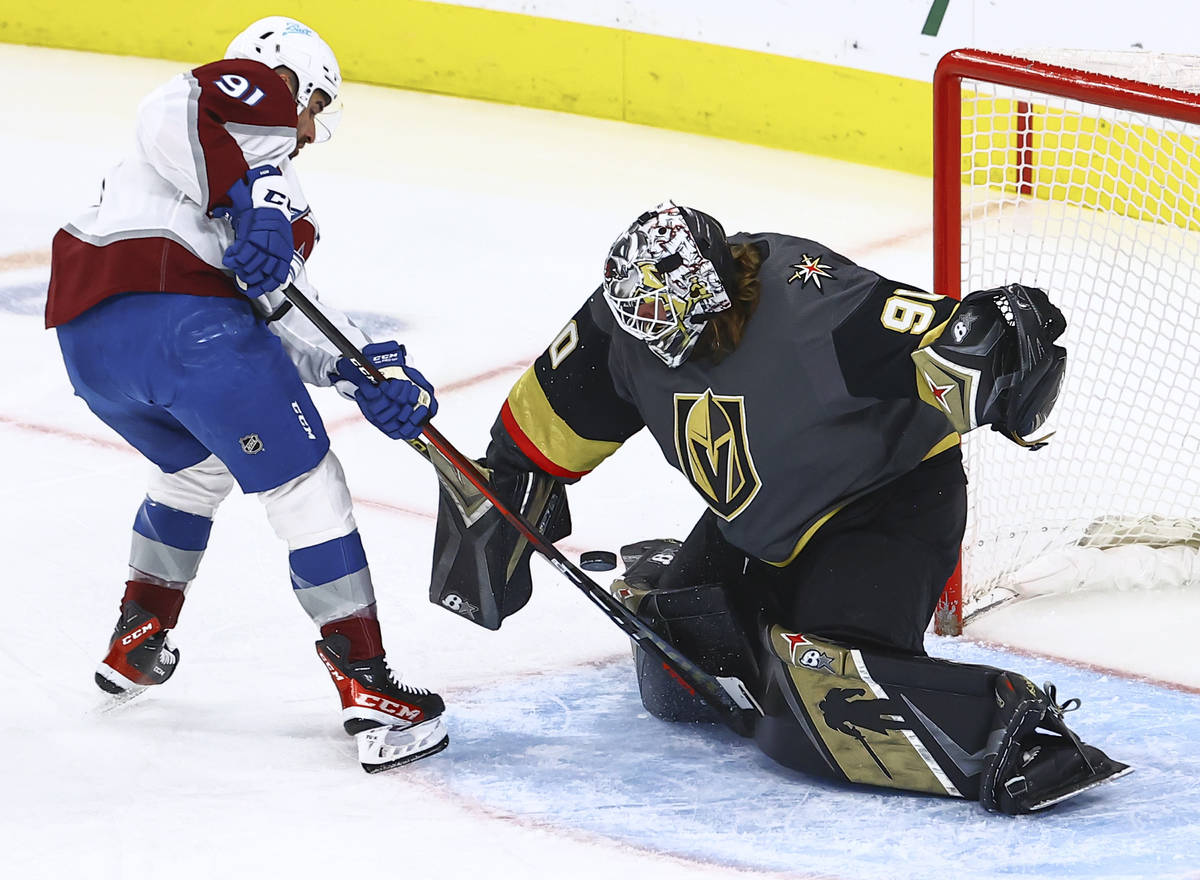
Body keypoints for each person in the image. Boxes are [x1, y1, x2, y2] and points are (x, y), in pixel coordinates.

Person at [437, 201, 1129, 812]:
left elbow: (939, 335)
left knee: (823, 696)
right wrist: (501, 501)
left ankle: (1015, 732)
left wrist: (998, 342)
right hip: (758, 529)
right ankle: (689, 587)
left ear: (719, 284)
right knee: (676, 674)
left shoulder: (811, 300)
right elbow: (537, 426)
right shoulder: (625, 327)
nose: (661, 345)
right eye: (643, 327)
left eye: (672, 322)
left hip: (885, 510)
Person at [46, 16, 446, 767]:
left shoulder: (248, 185)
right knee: (306, 483)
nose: (310, 129)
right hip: (190, 334)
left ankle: (139, 634)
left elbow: (286, 303)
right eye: (316, 105)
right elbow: (185, 104)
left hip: (93, 348)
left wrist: (359, 371)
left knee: (195, 467)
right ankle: (368, 688)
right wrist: (256, 195)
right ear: (284, 75)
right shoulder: (245, 95)